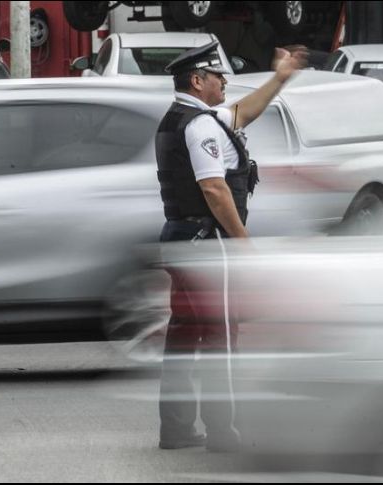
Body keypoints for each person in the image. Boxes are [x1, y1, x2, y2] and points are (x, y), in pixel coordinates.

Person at [155, 41, 307, 452]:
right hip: (208, 242)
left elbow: (242, 112)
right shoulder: (200, 126)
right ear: (196, 80)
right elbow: (214, 188)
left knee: (184, 336)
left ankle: (176, 428)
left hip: (181, 236)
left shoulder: (183, 118)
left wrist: (279, 79)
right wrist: (242, 242)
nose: (224, 82)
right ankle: (224, 432)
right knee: (221, 337)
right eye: (217, 76)